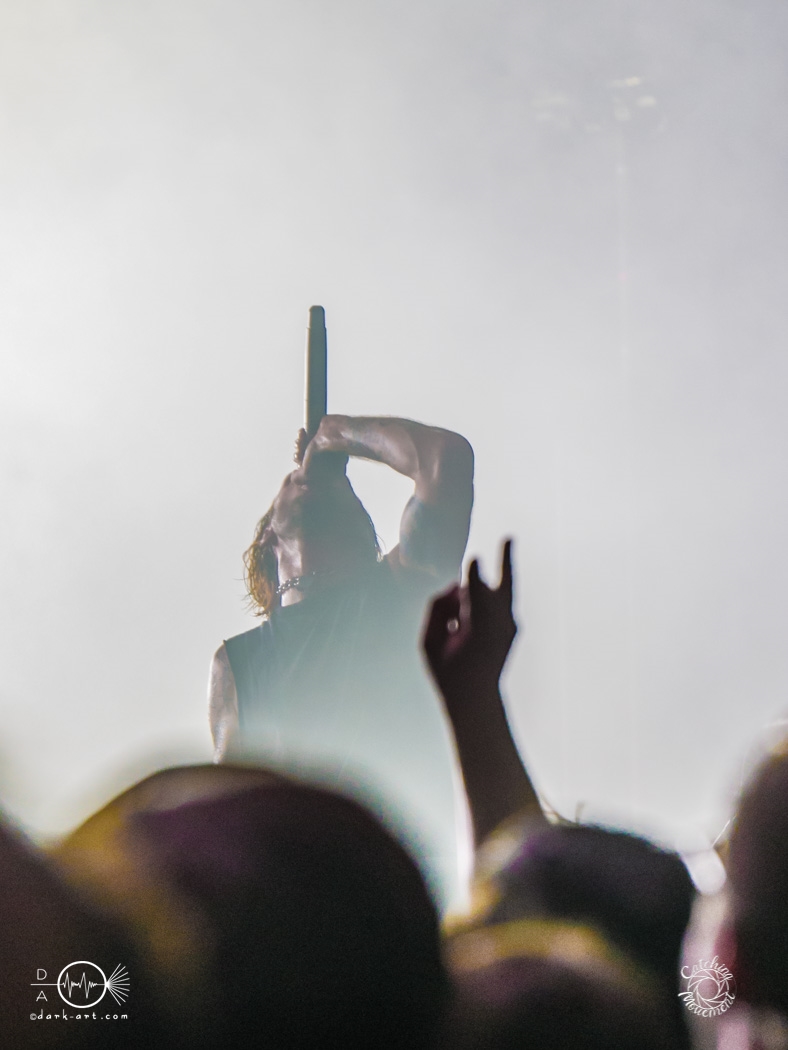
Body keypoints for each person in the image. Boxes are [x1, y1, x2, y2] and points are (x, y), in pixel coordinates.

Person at [208, 414, 474, 904]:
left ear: (359, 529)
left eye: (341, 486)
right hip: (295, 911)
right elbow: (231, 817)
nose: (315, 477)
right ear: (268, 537)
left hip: (403, 892)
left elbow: (445, 459)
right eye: (295, 479)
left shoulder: (402, 590)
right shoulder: (235, 663)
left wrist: (339, 434)